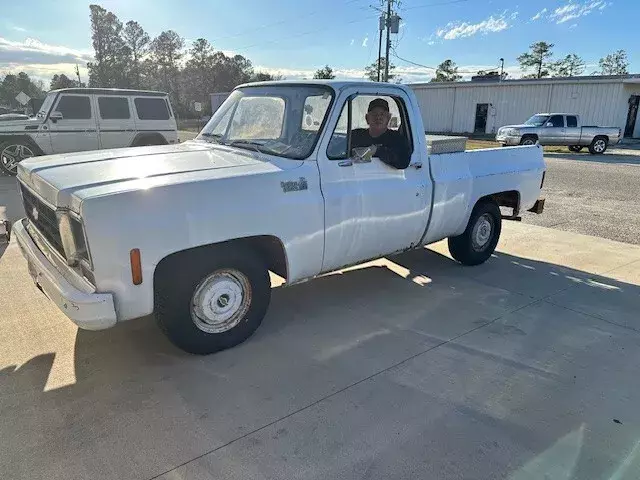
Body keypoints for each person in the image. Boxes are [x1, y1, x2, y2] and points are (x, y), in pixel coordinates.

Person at [350, 98, 411, 169]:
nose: (378, 117)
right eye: (374, 114)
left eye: (382, 114)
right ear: (367, 118)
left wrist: (377, 151)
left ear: (388, 118)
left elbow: (403, 162)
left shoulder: (397, 139)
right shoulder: (355, 135)